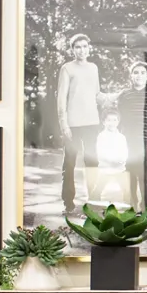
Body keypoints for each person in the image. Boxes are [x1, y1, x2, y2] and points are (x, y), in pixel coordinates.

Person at [57, 33, 102, 216]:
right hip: (73, 124)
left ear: (89, 48)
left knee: (92, 162)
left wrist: (117, 96)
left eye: (84, 46)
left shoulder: (93, 68)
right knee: (69, 163)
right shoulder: (67, 68)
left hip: (92, 122)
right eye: (77, 47)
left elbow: (97, 94)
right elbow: (61, 98)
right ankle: (68, 202)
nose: (81, 50)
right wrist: (64, 124)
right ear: (72, 49)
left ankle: (94, 201)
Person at [117, 58, 147, 214]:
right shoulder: (125, 95)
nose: (139, 75)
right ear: (131, 75)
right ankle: (131, 204)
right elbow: (119, 118)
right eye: (136, 72)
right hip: (130, 140)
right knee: (130, 171)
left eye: (142, 73)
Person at [91, 110, 140, 208]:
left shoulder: (121, 137)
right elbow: (100, 152)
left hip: (119, 168)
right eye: (108, 120)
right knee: (98, 189)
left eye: (114, 120)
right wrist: (110, 160)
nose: (111, 123)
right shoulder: (101, 136)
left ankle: (130, 209)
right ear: (104, 122)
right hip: (105, 168)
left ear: (118, 122)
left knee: (126, 190)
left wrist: (121, 160)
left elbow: (125, 151)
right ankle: (91, 209)